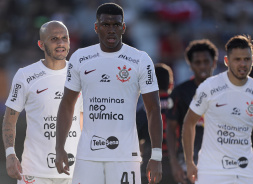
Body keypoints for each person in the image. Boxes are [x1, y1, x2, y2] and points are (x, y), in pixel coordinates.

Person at [55, 3, 163, 184]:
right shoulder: (80, 58)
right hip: (88, 155)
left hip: (125, 156)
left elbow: (153, 109)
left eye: (116, 25)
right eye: (106, 25)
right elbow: (67, 104)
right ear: (97, 27)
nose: (111, 30)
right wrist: (59, 148)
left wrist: (157, 156)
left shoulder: (140, 59)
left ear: (124, 28)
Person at [182, 35, 253, 184]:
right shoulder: (209, 87)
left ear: (252, 60)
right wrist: (189, 163)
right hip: (210, 173)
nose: (243, 64)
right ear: (227, 61)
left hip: (245, 173)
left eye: (246, 59)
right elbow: (189, 123)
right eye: (237, 59)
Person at [2, 21, 83, 184]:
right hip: (34, 172)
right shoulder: (25, 75)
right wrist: (10, 154)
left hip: (73, 172)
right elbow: (9, 120)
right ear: (41, 44)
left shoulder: (80, 74)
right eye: (54, 39)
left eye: (64, 38)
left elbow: (83, 119)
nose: (60, 43)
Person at [166, 39, 218, 184]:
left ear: (213, 62)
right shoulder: (180, 92)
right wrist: (174, 162)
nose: (202, 66)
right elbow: (170, 128)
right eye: (197, 62)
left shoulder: (225, 91)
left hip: (220, 160)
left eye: (206, 61)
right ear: (190, 65)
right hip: (190, 161)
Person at [136, 63, 175, 184]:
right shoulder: (180, 105)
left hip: (150, 166)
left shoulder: (144, 109)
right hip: (176, 165)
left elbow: (135, 138)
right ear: (170, 84)